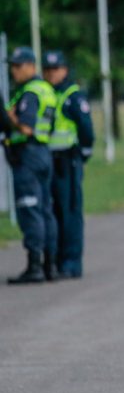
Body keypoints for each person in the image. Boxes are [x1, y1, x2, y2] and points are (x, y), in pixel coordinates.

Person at [1, 47, 58, 284]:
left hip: (28, 155)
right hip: (43, 153)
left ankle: (35, 266)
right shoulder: (46, 89)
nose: (13, 71)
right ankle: (49, 265)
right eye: (12, 66)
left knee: (30, 208)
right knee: (45, 210)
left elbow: (26, 127)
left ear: (30, 66)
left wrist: (8, 117)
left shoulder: (31, 93)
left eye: (17, 66)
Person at [42, 51, 95, 279]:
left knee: (69, 211)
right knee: (52, 211)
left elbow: (86, 129)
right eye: (47, 70)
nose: (51, 74)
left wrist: (82, 154)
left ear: (64, 70)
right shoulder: (46, 94)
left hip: (68, 161)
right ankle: (53, 260)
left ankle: (71, 263)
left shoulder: (73, 96)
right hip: (48, 161)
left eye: (55, 69)